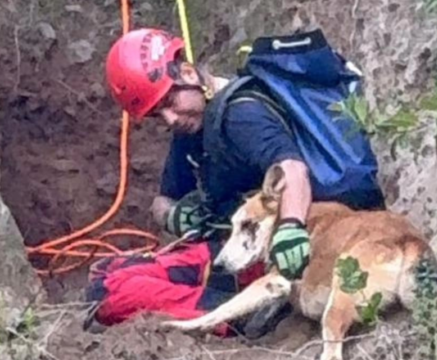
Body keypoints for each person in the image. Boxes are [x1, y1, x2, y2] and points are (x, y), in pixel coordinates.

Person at [84, 27, 385, 337]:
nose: (170, 119)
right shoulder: (194, 128)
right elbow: (163, 200)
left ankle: (235, 312)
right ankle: (240, 305)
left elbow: (292, 170)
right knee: (105, 274)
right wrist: (172, 214)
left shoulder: (241, 115)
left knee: (113, 290)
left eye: (169, 101)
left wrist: (292, 227)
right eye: (157, 114)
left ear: (187, 72)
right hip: (226, 246)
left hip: (256, 250)